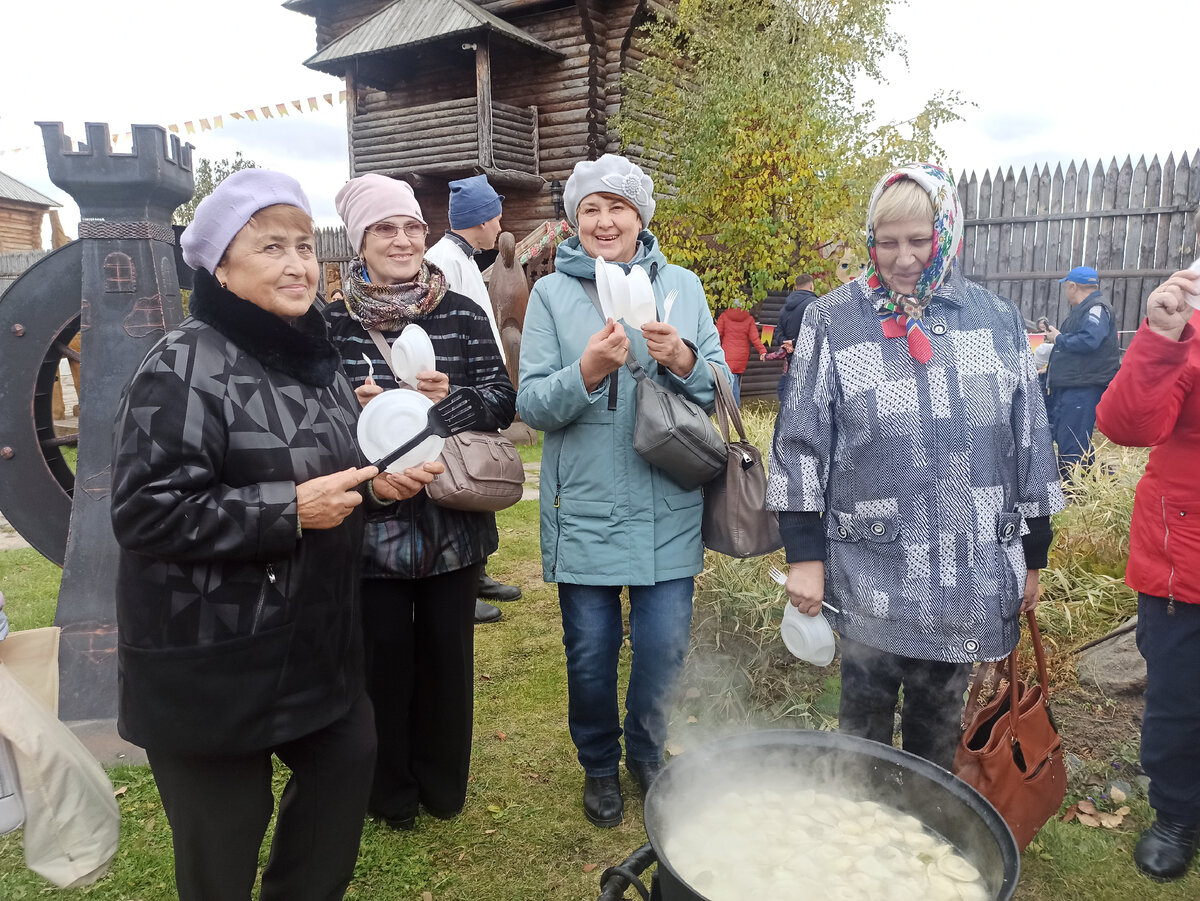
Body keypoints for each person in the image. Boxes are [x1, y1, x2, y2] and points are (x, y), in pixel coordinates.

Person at [109, 169, 441, 901]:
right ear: (220, 266)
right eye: (270, 248)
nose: (297, 264)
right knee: (224, 838)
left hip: (312, 641)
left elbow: (332, 478)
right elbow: (145, 511)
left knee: (347, 760)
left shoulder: (316, 362)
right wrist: (286, 510)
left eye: (303, 245)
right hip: (212, 654)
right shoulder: (181, 366)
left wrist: (375, 485)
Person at [767, 163, 1064, 771]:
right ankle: (862, 841)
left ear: (947, 233)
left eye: (919, 240)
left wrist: (1033, 557)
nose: (902, 258)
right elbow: (800, 443)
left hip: (968, 569)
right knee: (864, 732)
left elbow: (1029, 440)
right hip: (868, 567)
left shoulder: (995, 320)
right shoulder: (835, 320)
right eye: (887, 241)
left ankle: (926, 844)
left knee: (935, 734)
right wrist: (804, 556)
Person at [517, 154, 730, 828]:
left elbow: (719, 384)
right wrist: (586, 368)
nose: (604, 220)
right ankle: (600, 764)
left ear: (641, 216)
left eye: (618, 207)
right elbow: (533, 403)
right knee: (590, 652)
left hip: (668, 499)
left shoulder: (684, 287)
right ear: (574, 221)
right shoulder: (552, 295)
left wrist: (682, 358)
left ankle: (645, 749)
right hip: (586, 502)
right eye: (590, 209)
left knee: (663, 647)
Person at [327, 173, 516, 831]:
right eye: (385, 228)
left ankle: (443, 784)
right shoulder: (330, 324)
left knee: (446, 659)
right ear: (361, 240)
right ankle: (391, 792)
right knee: (381, 663)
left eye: (411, 225)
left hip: (449, 518)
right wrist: (353, 407)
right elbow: (310, 418)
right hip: (371, 523)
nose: (403, 239)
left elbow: (501, 398)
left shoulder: (458, 310)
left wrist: (450, 400)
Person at [1095, 250, 1200, 882]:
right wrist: (1162, 338)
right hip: (1184, 557)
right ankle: (1177, 812)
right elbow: (1125, 424)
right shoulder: (1186, 327)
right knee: (1179, 697)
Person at [425, 174, 522, 622]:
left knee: (479, 477)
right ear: (479, 220)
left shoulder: (463, 257)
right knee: (460, 482)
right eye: (495, 215)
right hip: (457, 388)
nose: (499, 223)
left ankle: (477, 572)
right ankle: (460, 586)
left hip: (477, 386)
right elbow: (448, 332)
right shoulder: (442, 260)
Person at [1044, 266, 1120, 480]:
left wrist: (1058, 339)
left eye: (1066, 287)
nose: (1066, 292)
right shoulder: (1087, 309)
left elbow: (1089, 340)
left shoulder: (1096, 308)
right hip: (1075, 384)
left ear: (1073, 286)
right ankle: (1098, 478)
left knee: (1071, 438)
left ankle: (1073, 491)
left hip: (1084, 385)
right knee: (1067, 434)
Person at [775, 274, 819, 399]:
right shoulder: (815, 305)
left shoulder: (785, 308)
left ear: (796, 287)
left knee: (787, 395)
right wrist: (793, 343)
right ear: (812, 286)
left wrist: (786, 343)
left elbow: (778, 332)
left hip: (790, 361)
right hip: (811, 362)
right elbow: (817, 333)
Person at [715, 301, 767, 405]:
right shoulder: (749, 319)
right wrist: (762, 351)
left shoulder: (724, 316)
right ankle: (732, 406)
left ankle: (734, 407)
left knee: (731, 380)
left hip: (727, 353)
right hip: (742, 355)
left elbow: (716, 335)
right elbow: (755, 338)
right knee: (735, 379)